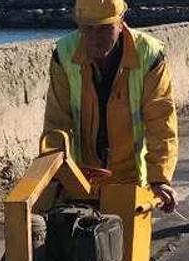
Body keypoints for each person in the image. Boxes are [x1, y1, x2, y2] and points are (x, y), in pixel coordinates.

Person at [43, 0, 179, 211]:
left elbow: (161, 122)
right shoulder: (63, 54)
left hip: (131, 178)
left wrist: (159, 178)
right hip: (82, 177)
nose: (96, 39)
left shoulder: (150, 56)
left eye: (105, 29)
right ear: (79, 26)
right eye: (88, 30)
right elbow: (57, 122)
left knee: (127, 242)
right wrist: (56, 176)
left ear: (121, 22)